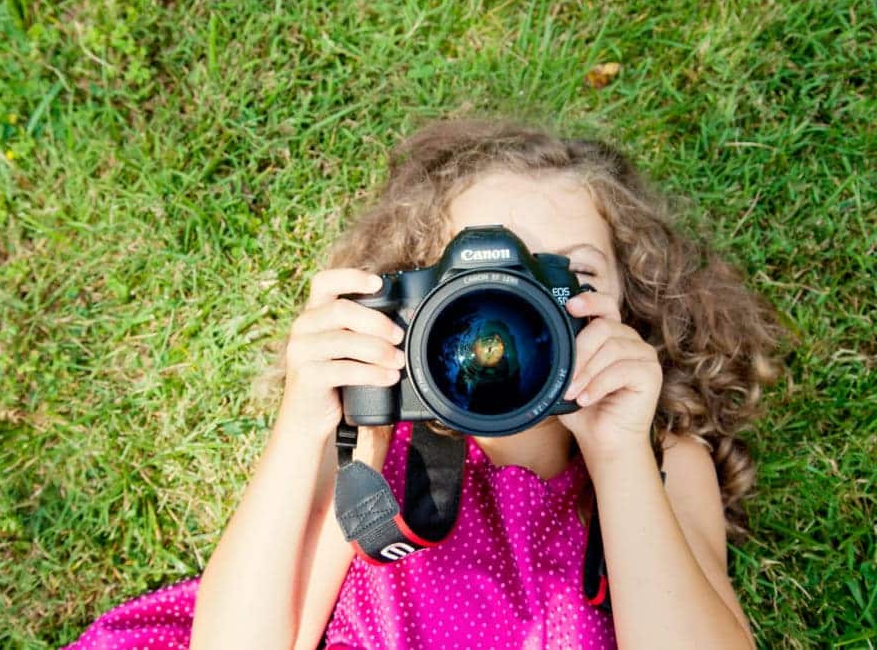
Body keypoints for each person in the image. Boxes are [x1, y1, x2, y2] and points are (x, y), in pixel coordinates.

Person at [66, 119, 783, 649]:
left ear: (632, 304)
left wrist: (619, 456)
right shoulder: (372, 437)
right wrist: (307, 421)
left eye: (571, 278)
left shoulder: (657, 461)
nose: (518, 309)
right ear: (416, 299)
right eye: (482, 283)